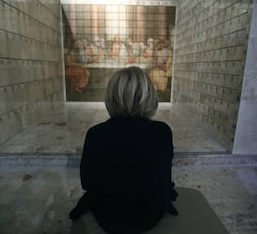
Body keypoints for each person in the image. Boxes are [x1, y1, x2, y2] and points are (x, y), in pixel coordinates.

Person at [69, 66, 178, 234]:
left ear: (111, 97)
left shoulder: (95, 134)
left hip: (107, 216)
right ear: (149, 97)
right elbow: (162, 179)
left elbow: (87, 182)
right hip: (149, 216)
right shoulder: (161, 132)